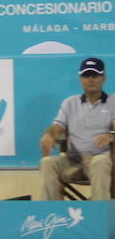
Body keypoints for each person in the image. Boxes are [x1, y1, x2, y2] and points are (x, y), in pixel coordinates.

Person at [39, 58, 115, 201]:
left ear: (103, 78)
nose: (91, 80)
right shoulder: (70, 102)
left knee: (100, 161)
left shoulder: (113, 101)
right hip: (72, 160)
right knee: (47, 163)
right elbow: (57, 126)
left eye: (95, 75)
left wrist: (111, 134)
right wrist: (49, 135)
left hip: (99, 161)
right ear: (80, 79)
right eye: (86, 76)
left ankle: (99, 215)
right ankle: (51, 214)